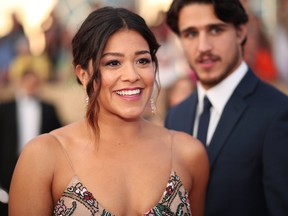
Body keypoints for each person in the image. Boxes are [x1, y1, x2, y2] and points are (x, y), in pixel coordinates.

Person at [9, 7, 209, 216]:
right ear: (83, 74)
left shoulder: (188, 154)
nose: (131, 75)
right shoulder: (44, 156)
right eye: (113, 63)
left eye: (142, 60)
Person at [164, 1, 288, 216]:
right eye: (191, 34)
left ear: (240, 32)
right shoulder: (176, 116)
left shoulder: (277, 113)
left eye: (215, 30)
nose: (203, 46)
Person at [0, 64, 62, 215]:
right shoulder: (5, 108)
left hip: (40, 165)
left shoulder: (49, 109)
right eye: (28, 82)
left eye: (35, 83)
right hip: (7, 165)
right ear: (22, 82)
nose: (31, 86)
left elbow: (59, 134)